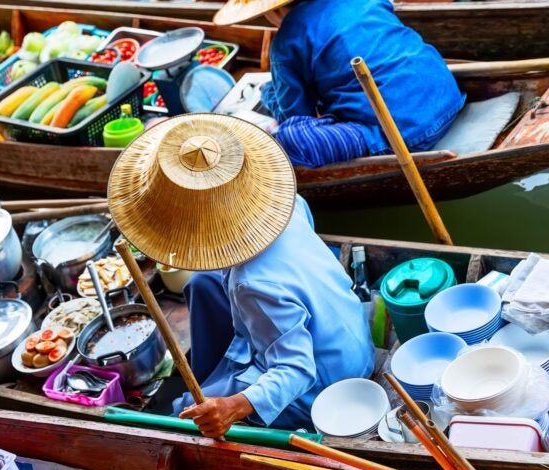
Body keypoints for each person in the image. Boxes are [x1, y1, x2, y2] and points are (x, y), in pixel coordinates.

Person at [107, 113, 374, 439]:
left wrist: (232, 406)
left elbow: (296, 369)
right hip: (343, 330)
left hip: (330, 381)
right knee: (203, 283)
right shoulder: (286, 203)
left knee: (185, 410)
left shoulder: (253, 284)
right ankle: (210, 375)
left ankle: (207, 391)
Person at [213, 0, 465, 169]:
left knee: (291, 136)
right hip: (448, 95)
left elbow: (295, 115)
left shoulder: (287, 39)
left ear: (275, 11)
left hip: (402, 134)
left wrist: (271, 96)